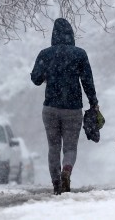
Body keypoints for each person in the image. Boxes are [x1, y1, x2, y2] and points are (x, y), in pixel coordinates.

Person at [31, 18, 99, 194]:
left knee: (53, 147)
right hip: (73, 108)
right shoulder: (79, 54)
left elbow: (36, 80)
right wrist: (93, 102)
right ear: (71, 34)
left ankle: (56, 182)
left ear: (53, 34)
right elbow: (87, 81)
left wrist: (47, 71)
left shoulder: (45, 54)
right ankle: (66, 171)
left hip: (50, 108)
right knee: (70, 147)